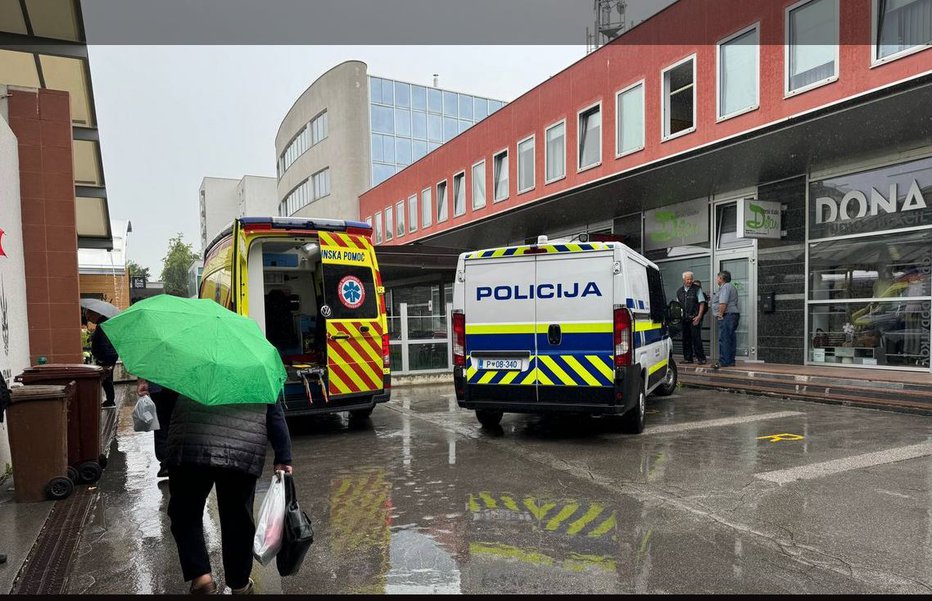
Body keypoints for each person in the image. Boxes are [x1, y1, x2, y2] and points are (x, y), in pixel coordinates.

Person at [165, 395, 293, 594]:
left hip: (191, 442)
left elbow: (166, 398)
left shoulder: (188, 363)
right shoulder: (258, 364)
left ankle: (201, 576)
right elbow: (274, 410)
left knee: (185, 512)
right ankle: (239, 583)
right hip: (242, 447)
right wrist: (283, 455)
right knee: (238, 518)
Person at [136, 378, 178, 479]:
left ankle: (165, 463)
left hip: (157, 387)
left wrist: (142, 380)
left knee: (162, 425)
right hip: (178, 387)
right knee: (177, 424)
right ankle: (176, 460)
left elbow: (145, 362)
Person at [87, 309, 119, 408]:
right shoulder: (103, 324)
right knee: (107, 379)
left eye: (89, 315)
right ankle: (110, 400)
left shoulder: (103, 325)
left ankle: (110, 401)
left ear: (95, 314)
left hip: (106, 357)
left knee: (106, 379)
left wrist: (102, 358)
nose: (88, 318)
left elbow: (104, 342)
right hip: (108, 356)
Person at [676, 271, 707, 365]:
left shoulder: (697, 289)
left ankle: (701, 358)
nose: (689, 281)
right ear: (683, 280)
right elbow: (678, 305)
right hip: (684, 319)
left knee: (696, 339)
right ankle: (688, 358)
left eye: (691, 279)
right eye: (687, 279)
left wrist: (699, 317)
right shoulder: (679, 291)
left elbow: (702, 303)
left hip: (694, 318)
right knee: (686, 339)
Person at [712, 270, 740, 369]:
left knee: (724, 338)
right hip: (732, 315)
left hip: (727, 315)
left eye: (717, 277)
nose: (716, 279)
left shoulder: (726, 287)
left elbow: (723, 303)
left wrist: (720, 314)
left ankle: (724, 361)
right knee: (730, 338)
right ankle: (730, 360)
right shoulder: (730, 287)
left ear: (721, 278)